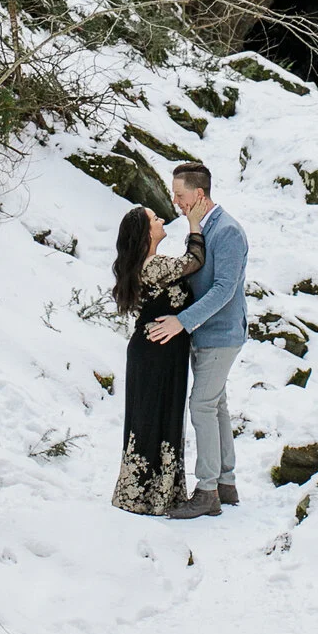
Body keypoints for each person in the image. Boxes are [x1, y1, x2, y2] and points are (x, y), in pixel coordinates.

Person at [144, 162, 247, 518]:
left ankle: (207, 492)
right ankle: (226, 483)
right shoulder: (200, 228)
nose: (174, 201)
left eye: (179, 195)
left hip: (221, 334)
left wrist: (181, 323)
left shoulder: (228, 231)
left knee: (202, 405)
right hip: (205, 333)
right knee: (215, 405)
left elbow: (224, 289)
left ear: (199, 194)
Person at [110, 203, 206, 515]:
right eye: (155, 218)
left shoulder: (149, 265)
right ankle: (150, 495)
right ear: (145, 233)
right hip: (157, 353)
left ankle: (150, 493)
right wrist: (194, 224)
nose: (162, 218)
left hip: (158, 351)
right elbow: (195, 261)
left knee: (156, 417)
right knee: (154, 418)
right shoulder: (154, 265)